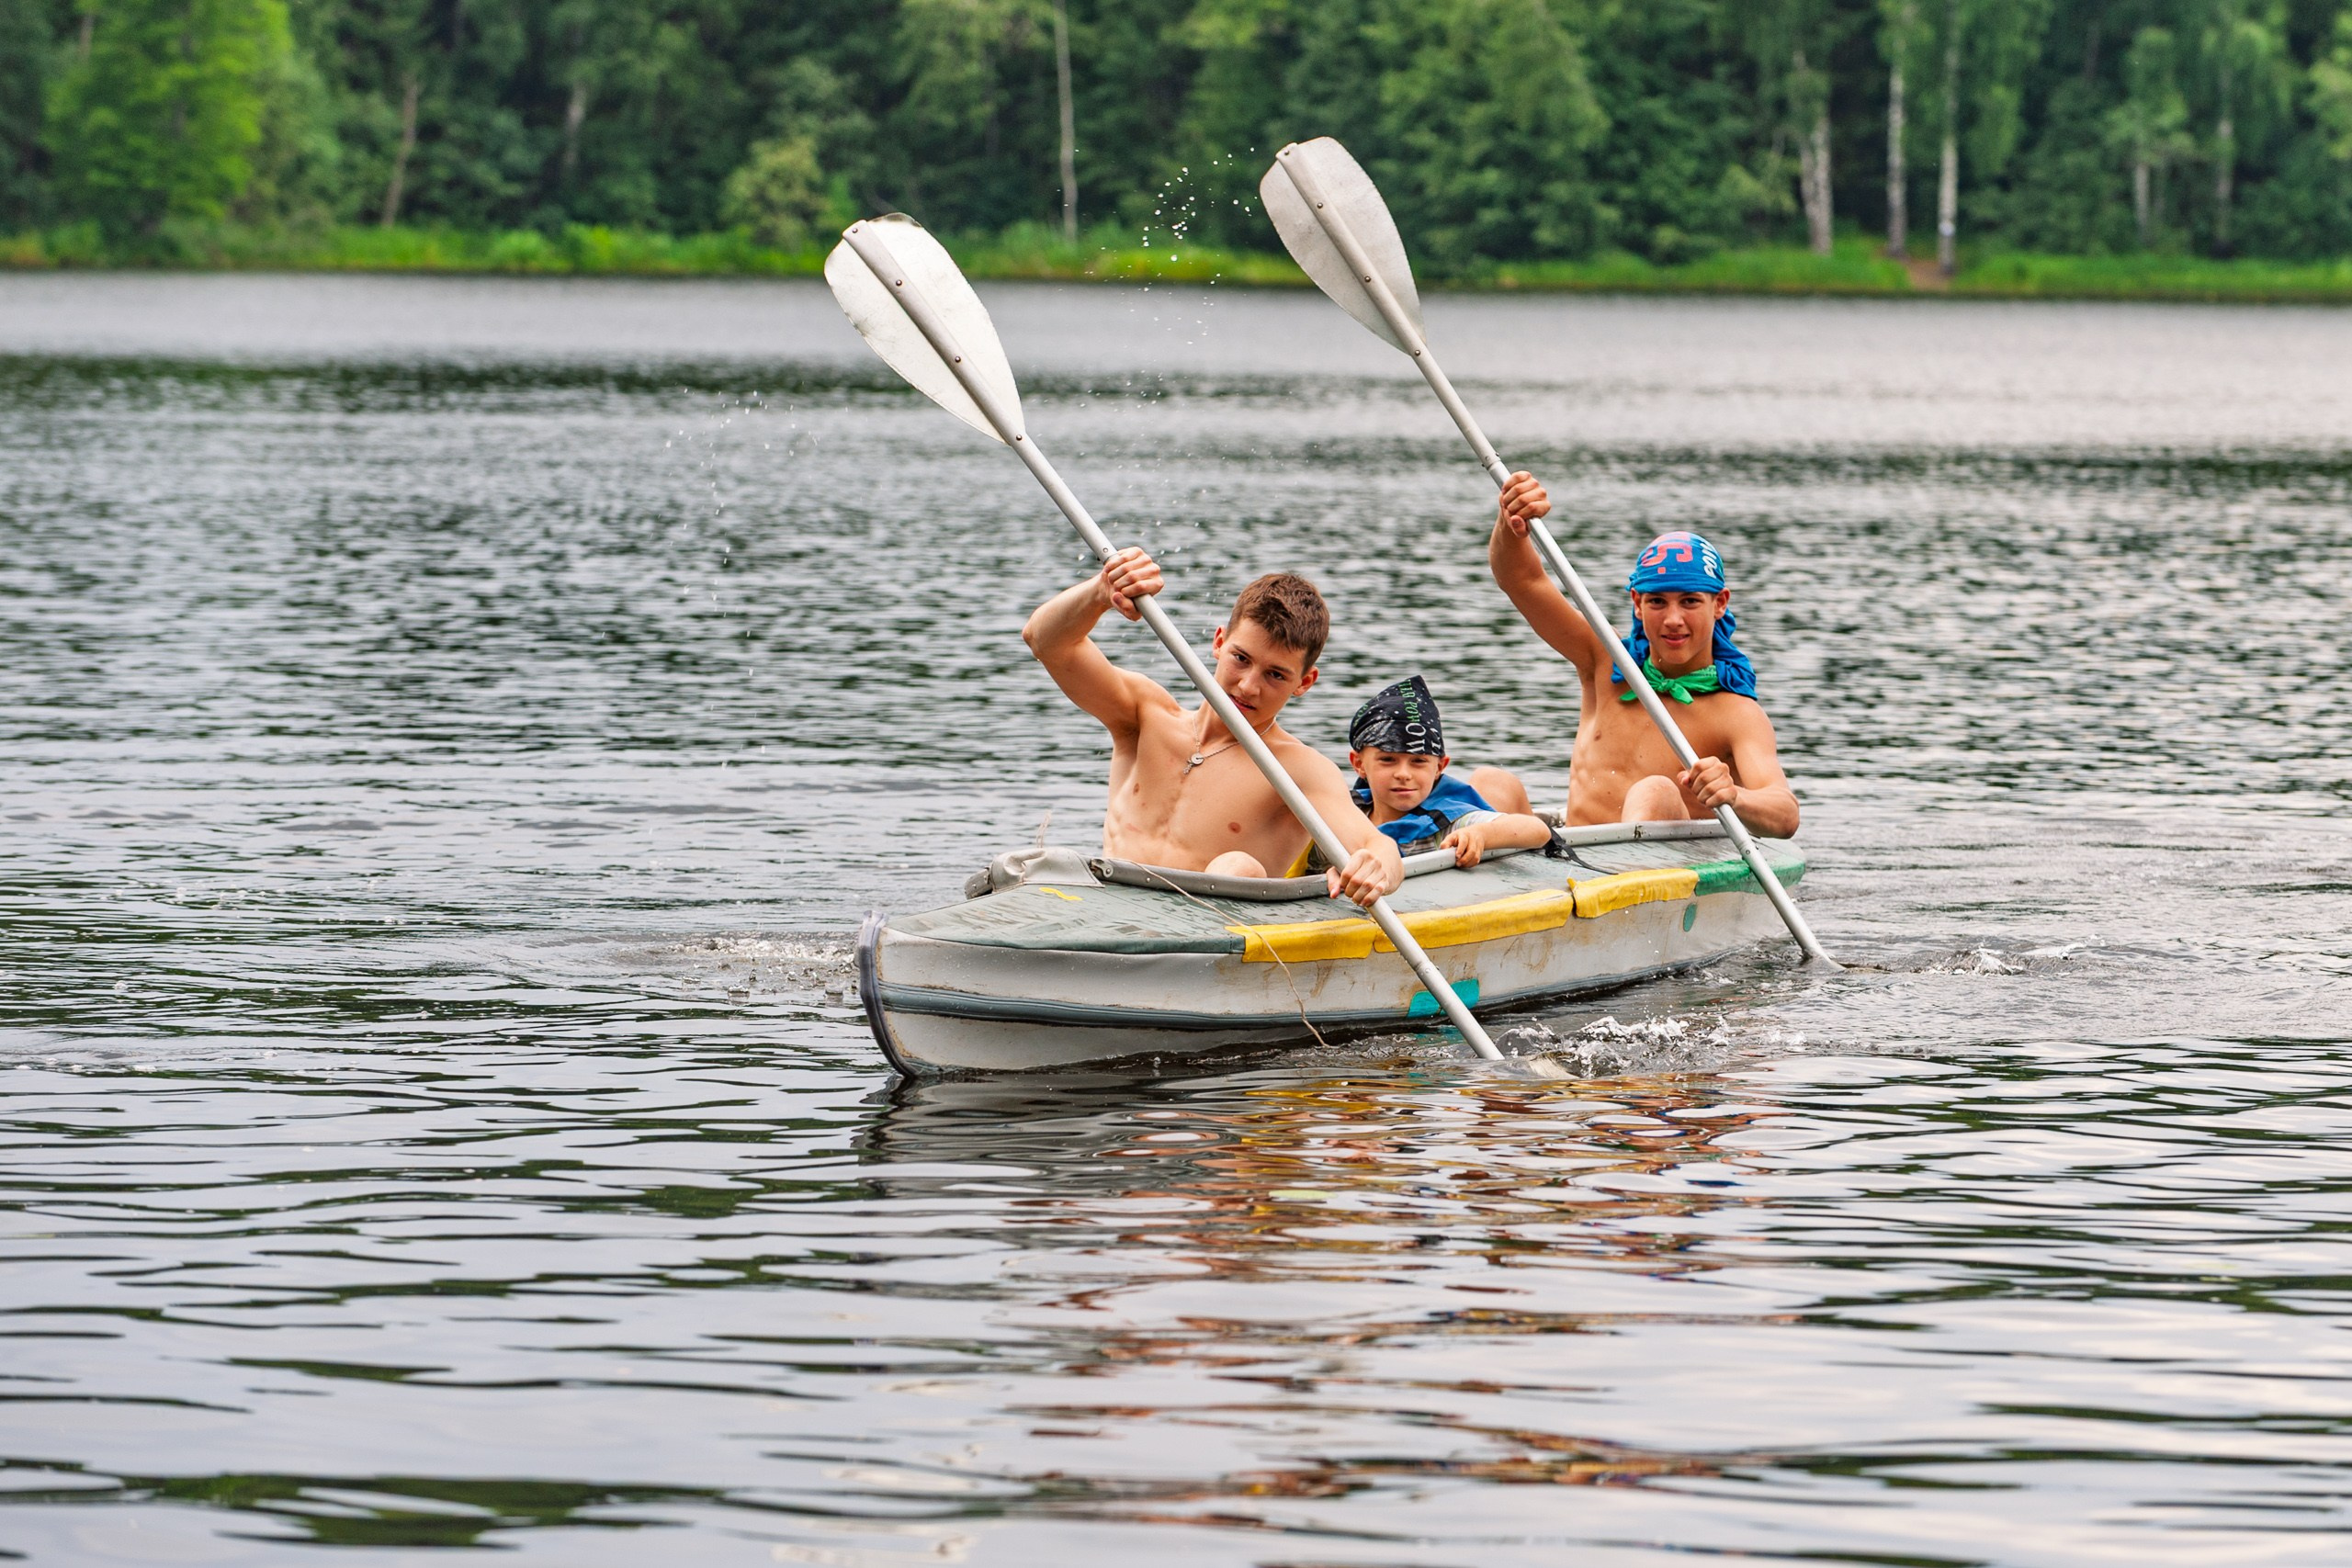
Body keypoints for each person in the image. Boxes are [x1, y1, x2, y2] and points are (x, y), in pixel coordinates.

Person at [1021, 547, 1404, 906]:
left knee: (1237, 865)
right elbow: (1046, 641)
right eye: (1241, 658)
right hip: (1112, 919)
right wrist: (1101, 591)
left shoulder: (1297, 768)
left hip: (1213, 951)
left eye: (1275, 675)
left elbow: (1377, 845)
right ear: (1219, 642)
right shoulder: (1142, 716)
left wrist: (1374, 868)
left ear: (1304, 683)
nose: (1249, 685)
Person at [1483, 474, 1801, 834]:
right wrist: (1513, 521)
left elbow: (1785, 814)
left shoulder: (1737, 714)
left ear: (1720, 604)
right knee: (1490, 783)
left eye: (1691, 601)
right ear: (1637, 603)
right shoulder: (1605, 658)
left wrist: (1735, 796)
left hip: (1659, 877)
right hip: (1566, 868)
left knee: (1656, 791)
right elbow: (1521, 580)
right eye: (1657, 602)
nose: (1673, 620)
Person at [1340, 676, 1554, 868]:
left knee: (1493, 779)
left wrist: (1480, 834)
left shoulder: (1451, 821)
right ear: (1358, 764)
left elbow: (1537, 830)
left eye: (1418, 761)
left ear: (1439, 768)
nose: (1403, 774)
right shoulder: (1343, 814)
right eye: (1388, 760)